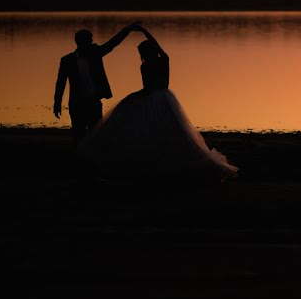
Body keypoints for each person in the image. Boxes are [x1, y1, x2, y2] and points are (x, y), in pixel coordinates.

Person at [77, 25, 238, 182]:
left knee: (162, 131)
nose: (142, 55)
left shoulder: (152, 63)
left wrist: (144, 32)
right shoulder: (157, 62)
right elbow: (150, 80)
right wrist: (144, 32)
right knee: (168, 132)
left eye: (142, 52)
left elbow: (149, 85)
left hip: (158, 98)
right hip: (161, 98)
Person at [53, 22, 142, 143]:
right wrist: (57, 103)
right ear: (81, 42)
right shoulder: (67, 60)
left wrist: (128, 29)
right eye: (89, 41)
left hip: (93, 102)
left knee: (96, 135)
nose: (92, 43)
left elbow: (113, 43)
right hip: (77, 103)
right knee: (79, 134)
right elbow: (61, 83)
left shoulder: (95, 53)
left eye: (91, 41)